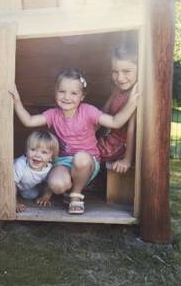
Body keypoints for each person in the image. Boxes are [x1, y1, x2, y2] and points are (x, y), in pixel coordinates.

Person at [11, 68, 138, 214]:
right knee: (57, 184)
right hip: (63, 161)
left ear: (82, 96)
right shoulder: (53, 114)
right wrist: (17, 101)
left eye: (74, 93)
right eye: (62, 91)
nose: (66, 97)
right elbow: (28, 121)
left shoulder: (88, 111)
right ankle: (68, 189)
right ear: (55, 92)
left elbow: (116, 122)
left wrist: (132, 103)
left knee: (81, 158)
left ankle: (76, 195)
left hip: (88, 162)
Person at [97, 41, 138, 173]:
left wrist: (127, 160)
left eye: (126, 71)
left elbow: (131, 131)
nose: (120, 78)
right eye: (115, 72)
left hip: (120, 146)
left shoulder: (135, 95)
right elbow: (103, 112)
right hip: (108, 138)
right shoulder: (117, 89)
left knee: (85, 151)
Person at [14, 130, 59, 212]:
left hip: (27, 187)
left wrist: (46, 197)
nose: (37, 155)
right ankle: (15, 196)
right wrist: (14, 203)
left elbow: (49, 184)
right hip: (13, 185)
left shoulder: (49, 168)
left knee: (31, 195)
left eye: (44, 152)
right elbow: (10, 184)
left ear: (51, 157)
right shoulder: (20, 164)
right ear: (26, 151)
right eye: (33, 149)